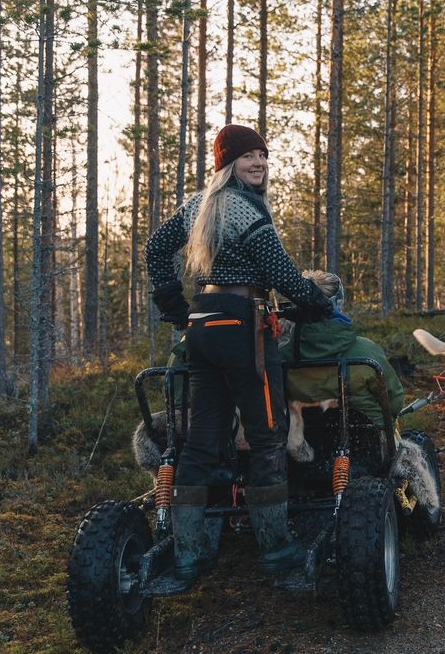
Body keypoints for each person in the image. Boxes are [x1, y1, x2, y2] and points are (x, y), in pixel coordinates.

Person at [145, 124, 332, 582]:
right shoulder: (248, 210)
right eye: (247, 157)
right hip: (244, 326)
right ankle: (276, 549)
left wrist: (173, 304)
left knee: (205, 439)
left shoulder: (199, 205)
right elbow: (282, 274)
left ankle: (189, 556)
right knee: (268, 435)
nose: (258, 164)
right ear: (227, 164)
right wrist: (319, 302)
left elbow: (154, 249)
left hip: (202, 323)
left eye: (263, 156)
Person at [280, 271, 405, 449]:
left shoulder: (282, 356)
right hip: (369, 443)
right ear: (337, 304)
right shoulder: (366, 352)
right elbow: (394, 401)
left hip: (303, 444)